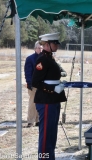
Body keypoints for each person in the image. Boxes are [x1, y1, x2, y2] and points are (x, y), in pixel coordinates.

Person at [32, 32, 67, 160]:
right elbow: (35, 82)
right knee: (46, 134)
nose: (57, 46)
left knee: (52, 133)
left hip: (53, 100)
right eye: (54, 43)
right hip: (46, 100)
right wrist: (53, 88)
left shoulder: (49, 58)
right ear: (47, 44)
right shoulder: (42, 59)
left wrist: (59, 84)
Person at [24, 41, 42, 127]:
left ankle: (38, 120)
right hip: (33, 85)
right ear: (35, 48)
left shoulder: (44, 58)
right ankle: (30, 121)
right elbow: (28, 72)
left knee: (40, 102)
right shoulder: (30, 59)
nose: (40, 49)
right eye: (39, 48)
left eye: (41, 48)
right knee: (32, 102)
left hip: (42, 85)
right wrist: (29, 83)